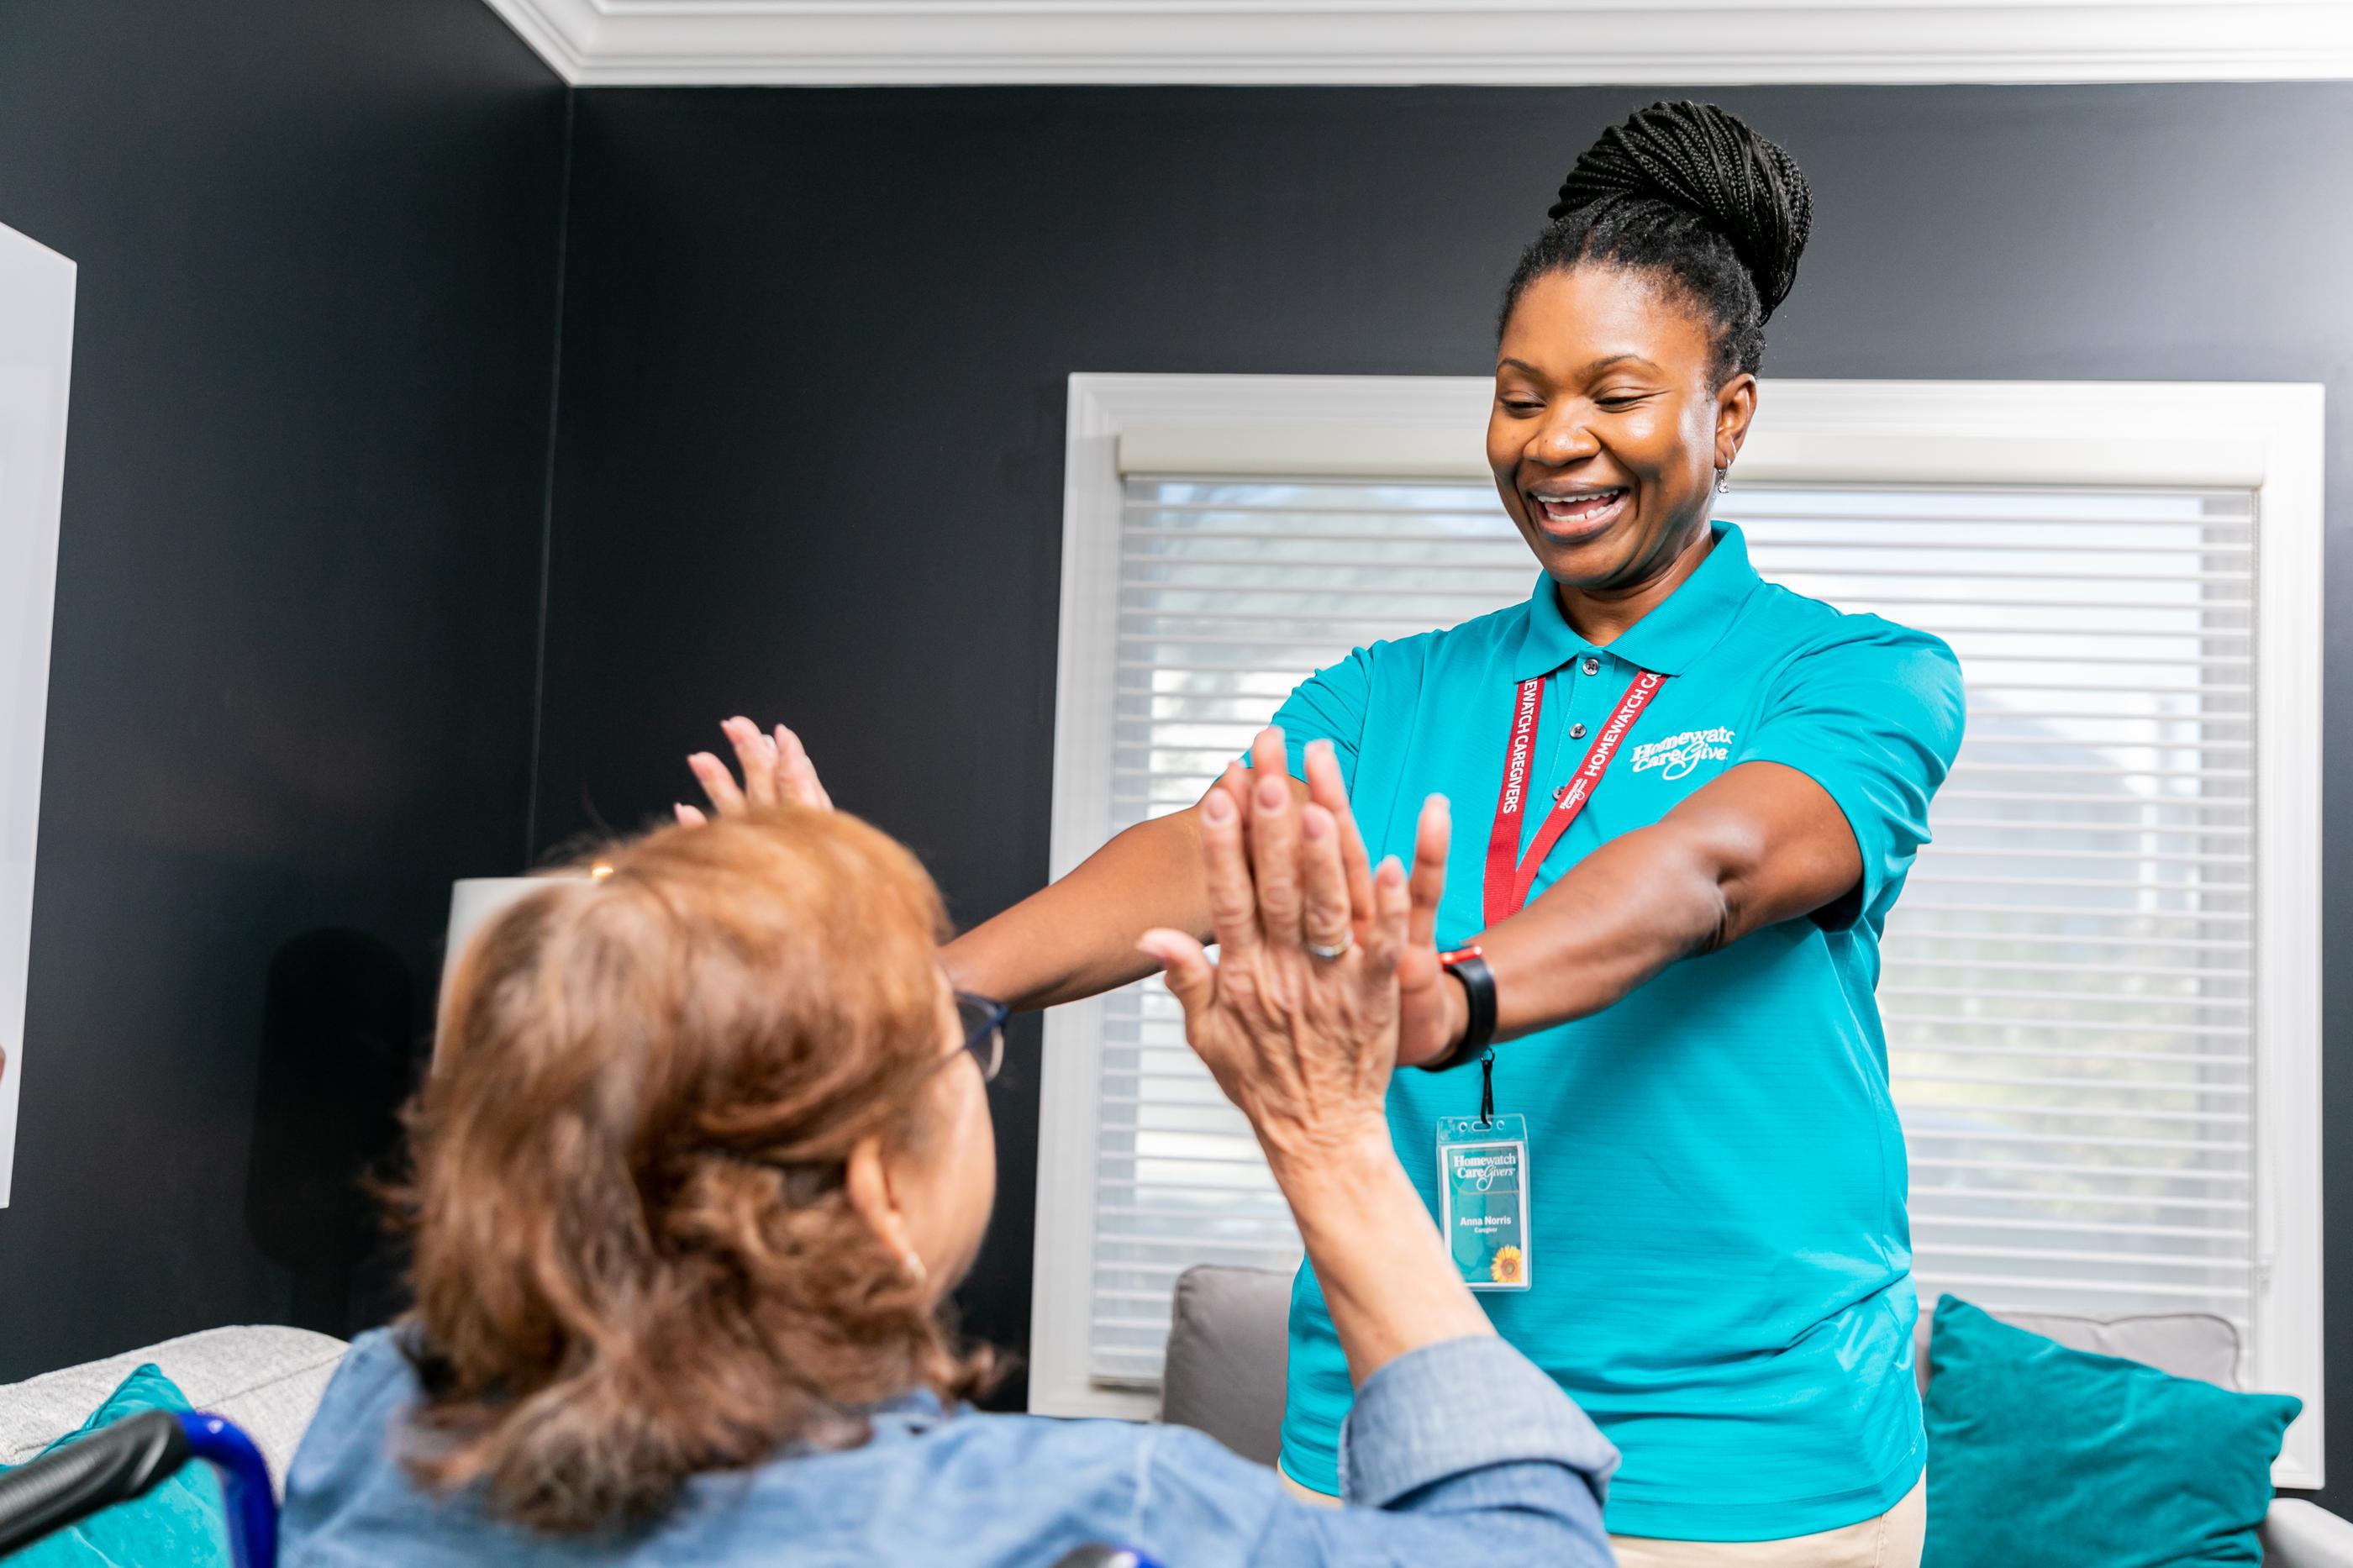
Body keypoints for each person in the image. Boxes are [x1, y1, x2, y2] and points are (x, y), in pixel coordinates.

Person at [791, 100, 1963, 1565]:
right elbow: (1204, 851)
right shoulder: (1389, 687)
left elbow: (1713, 869)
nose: (1557, 441)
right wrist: (921, 998)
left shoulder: (1853, 674)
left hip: (1741, 1465)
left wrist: (1459, 995)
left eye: (1613, 391)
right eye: (1520, 393)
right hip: (1390, 1419)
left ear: (1726, 414)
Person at [277, 742, 1621, 1564]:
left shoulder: (382, 1412)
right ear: (877, 1192)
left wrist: (768, 967)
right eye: (966, 1034)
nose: (985, 1050)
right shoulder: (1103, 1519)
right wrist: (1331, 1137)